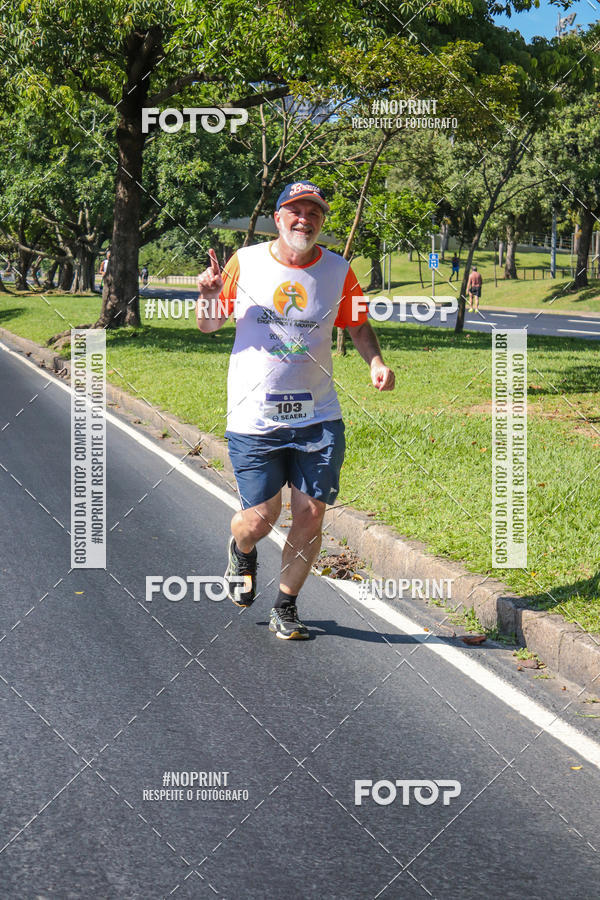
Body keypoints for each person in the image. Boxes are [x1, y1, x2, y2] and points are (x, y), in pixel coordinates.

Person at [196, 181, 395, 640]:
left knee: (310, 514)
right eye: (296, 211)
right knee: (260, 518)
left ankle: (285, 607)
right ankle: (242, 548)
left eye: (314, 213)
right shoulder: (244, 263)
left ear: (321, 221)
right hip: (254, 418)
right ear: (279, 216)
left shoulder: (339, 270)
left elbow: (359, 323)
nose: (305, 219)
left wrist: (377, 362)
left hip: (317, 417)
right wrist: (208, 293)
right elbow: (209, 325)